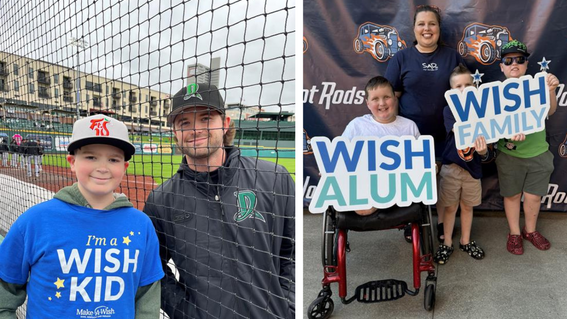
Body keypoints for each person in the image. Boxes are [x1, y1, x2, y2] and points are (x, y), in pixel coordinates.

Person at [143, 83, 295, 318]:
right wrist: (187, 313)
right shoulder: (161, 200)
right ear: (175, 132)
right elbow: (153, 269)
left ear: (225, 124)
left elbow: (292, 251)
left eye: (205, 119)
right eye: (185, 123)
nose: (196, 130)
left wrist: (287, 305)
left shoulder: (274, 178)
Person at [0, 114, 164, 318]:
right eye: (90, 157)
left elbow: (146, 298)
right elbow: (5, 291)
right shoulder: (35, 221)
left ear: (124, 167)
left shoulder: (141, 225)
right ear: (72, 162)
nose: (102, 167)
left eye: (113, 159)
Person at [385, 4, 465, 241]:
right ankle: (413, 224)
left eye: (432, 23)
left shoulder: (452, 57)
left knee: (444, 185)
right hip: (412, 139)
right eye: (421, 24)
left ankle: (441, 226)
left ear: (439, 28)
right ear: (414, 29)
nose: (427, 28)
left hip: (445, 137)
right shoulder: (401, 58)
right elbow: (391, 100)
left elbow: (466, 94)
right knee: (414, 184)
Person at [493, 40, 559, 255]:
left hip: (538, 151)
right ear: (501, 66)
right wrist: (505, 131)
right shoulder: (494, 92)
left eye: (520, 60)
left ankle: (530, 230)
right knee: (511, 195)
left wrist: (550, 90)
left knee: (533, 196)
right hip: (509, 154)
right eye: (508, 60)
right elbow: (489, 124)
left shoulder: (535, 85)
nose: (514, 63)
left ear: (526, 64)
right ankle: (514, 233)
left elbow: (549, 111)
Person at [433, 64, 494, 264]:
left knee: (468, 207)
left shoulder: (484, 112)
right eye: (458, 86)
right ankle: (447, 243)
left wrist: (484, 150)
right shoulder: (448, 110)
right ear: (451, 91)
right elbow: (460, 130)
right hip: (451, 169)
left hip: (472, 171)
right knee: (450, 208)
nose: (463, 89)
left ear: (475, 87)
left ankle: (466, 241)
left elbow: (486, 152)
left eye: (468, 85)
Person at [342, 76, 420, 216]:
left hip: (399, 188)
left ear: (394, 98)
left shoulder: (409, 126)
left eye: (386, 97)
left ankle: (379, 202)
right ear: (367, 103)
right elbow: (340, 157)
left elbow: (420, 162)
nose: (382, 103)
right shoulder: (356, 126)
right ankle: (376, 201)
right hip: (365, 185)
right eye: (375, 99)